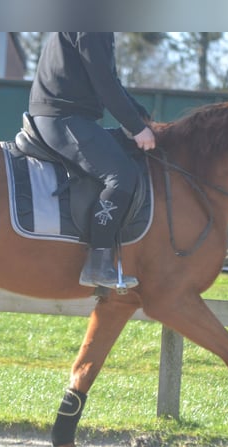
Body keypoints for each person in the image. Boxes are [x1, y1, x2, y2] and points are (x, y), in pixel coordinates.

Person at [29, 32, 156, 290]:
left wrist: (139, 116)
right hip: (63, 116)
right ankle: (97, 265)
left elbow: (111, 80)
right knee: (121, 175)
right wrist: (135, 126)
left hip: (69, 115)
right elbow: (103, 82)